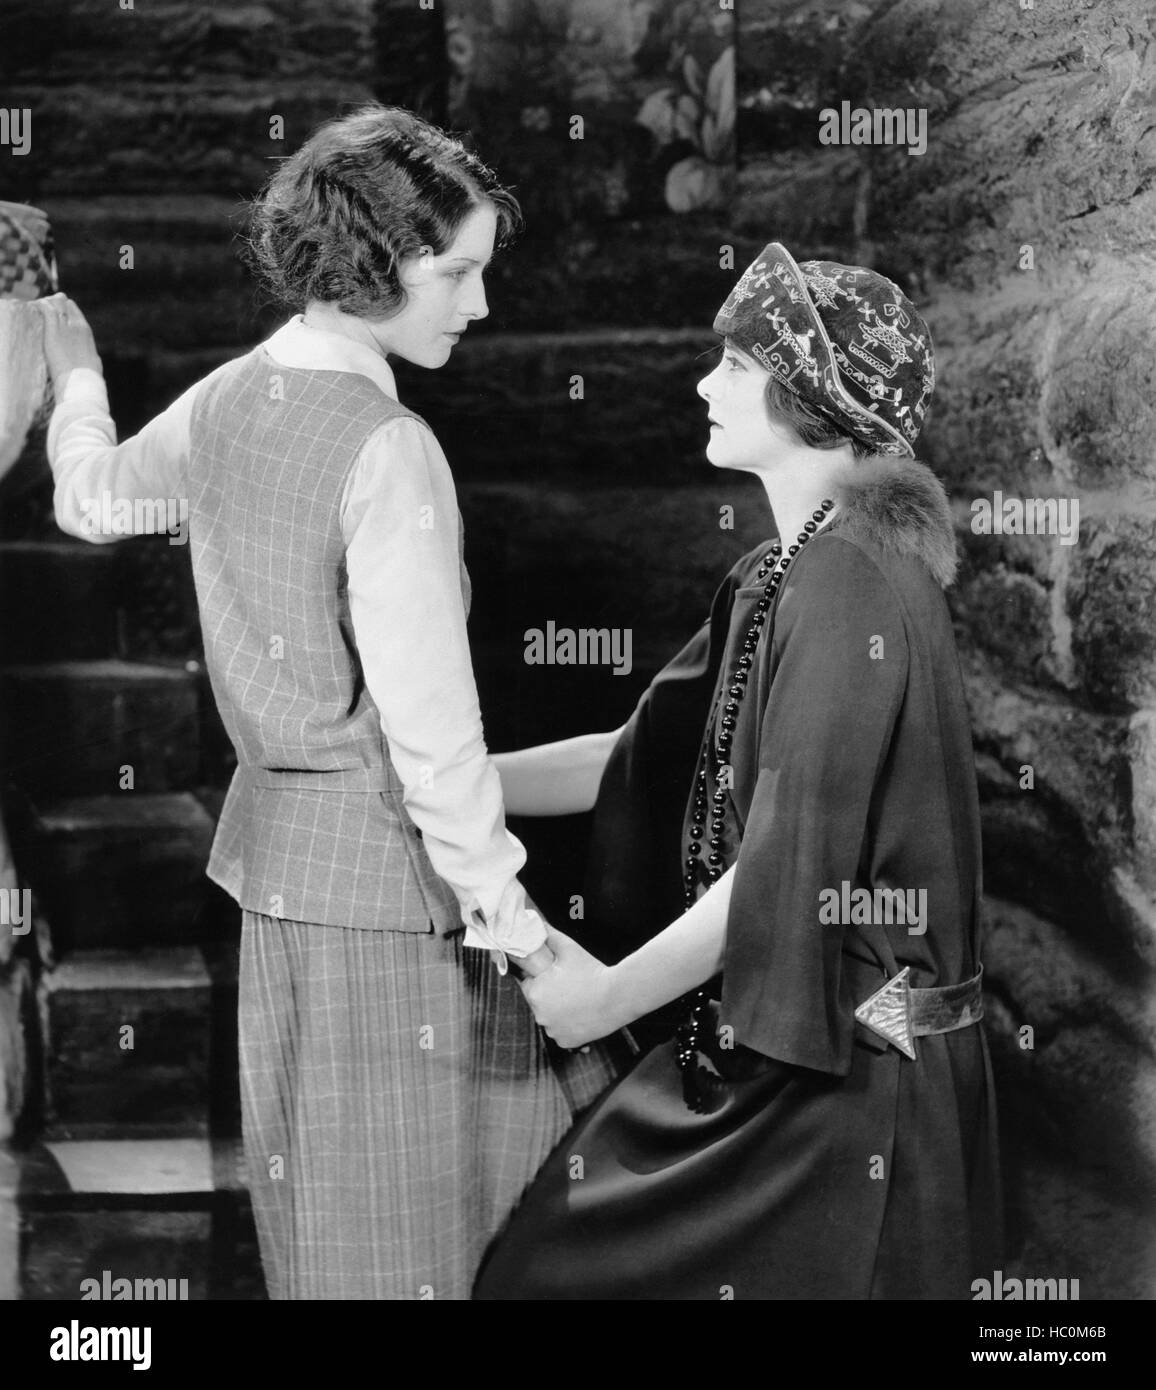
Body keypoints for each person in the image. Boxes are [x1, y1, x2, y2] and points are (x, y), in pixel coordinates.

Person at [37, 105, 618, 1300]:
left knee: (331, 1241)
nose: (479, 304)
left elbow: (91, 499)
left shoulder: (227, 397)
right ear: (371, 263)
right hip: (401, 903)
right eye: (454, 272)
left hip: (282, 888)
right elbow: (430, 732)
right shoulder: (389, 446)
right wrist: (514, 925)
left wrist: (76, 375)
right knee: (448, 1241)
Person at [474, 242, 1002, 1300]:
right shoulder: (780, 572)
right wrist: (435, 782)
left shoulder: (851, 581)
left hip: (851, 1078)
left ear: (809, 395)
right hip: (778, 1045)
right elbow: (625, 759)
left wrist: (604, 998)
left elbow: (787, 867)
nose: (703, 383)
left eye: (734, 362)